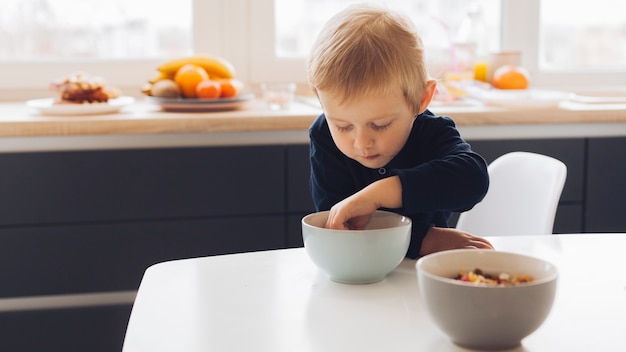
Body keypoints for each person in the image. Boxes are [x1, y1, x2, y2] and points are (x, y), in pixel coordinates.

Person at [306, 3, 493, 259]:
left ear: (421, 99)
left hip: (425, 274)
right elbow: (340, 228)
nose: (362, 143)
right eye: (343, 126)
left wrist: (381, 193)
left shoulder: (430, 132)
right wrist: (425, 239)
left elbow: (473, 180)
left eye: (380, 124)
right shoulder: (324, 136)